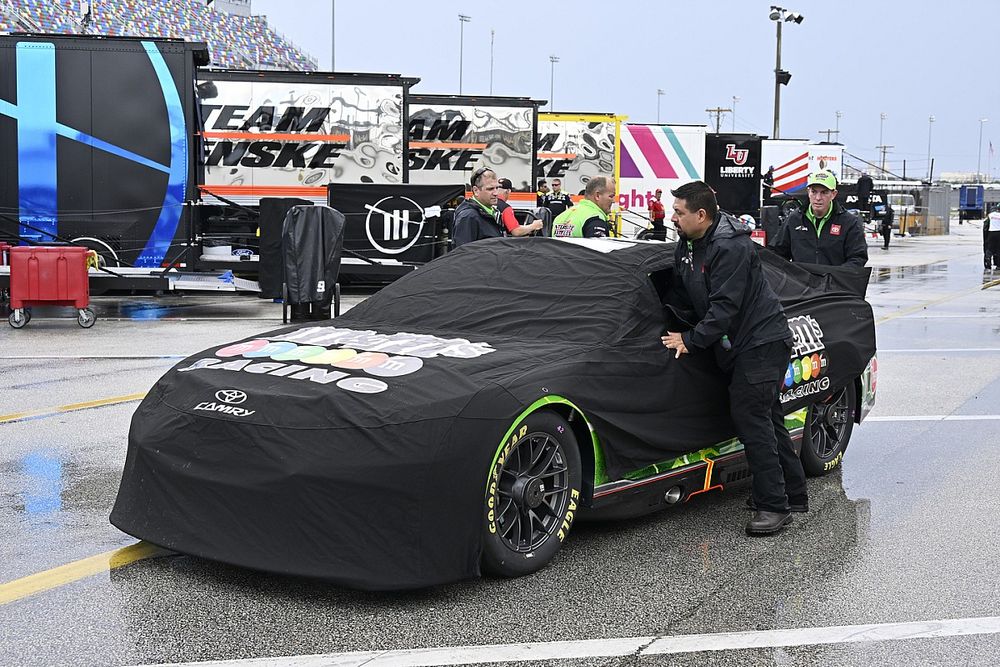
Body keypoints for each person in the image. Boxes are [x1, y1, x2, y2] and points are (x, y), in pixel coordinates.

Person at [661, 180, 806, 536]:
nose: (672, 217)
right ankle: (792, 492)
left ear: (701, 215)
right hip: (740, 343)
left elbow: (725, 307)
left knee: (751, 419)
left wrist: (691, 340)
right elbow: (683, 293)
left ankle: (774, 507)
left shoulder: (730, 246)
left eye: (678, 212)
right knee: (768, 419)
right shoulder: (688, 242)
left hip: (762, 342)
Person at [771, 170, 868, 268]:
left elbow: (858, 258)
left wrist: (836, 274)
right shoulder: (794, 219)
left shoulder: (849, 222)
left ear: (833, 194)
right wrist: (790, 273)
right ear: (808, 192)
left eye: (824, 192)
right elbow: (776, 253)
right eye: (814, 192)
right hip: (801, 278)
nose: (818, 198)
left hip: (835, 278)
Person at [451, 167, 506, 248]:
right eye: (490, 189)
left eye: (497, 188)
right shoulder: (468, 216)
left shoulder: (491, 212)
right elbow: (464, 252)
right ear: (476, 190)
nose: (496, 193)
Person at [549, 176, 614, 238]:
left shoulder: (560, 217)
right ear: (597, 196)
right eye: (611, 196)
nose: (613, 201)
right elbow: (598, 245)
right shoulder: (595, 218)